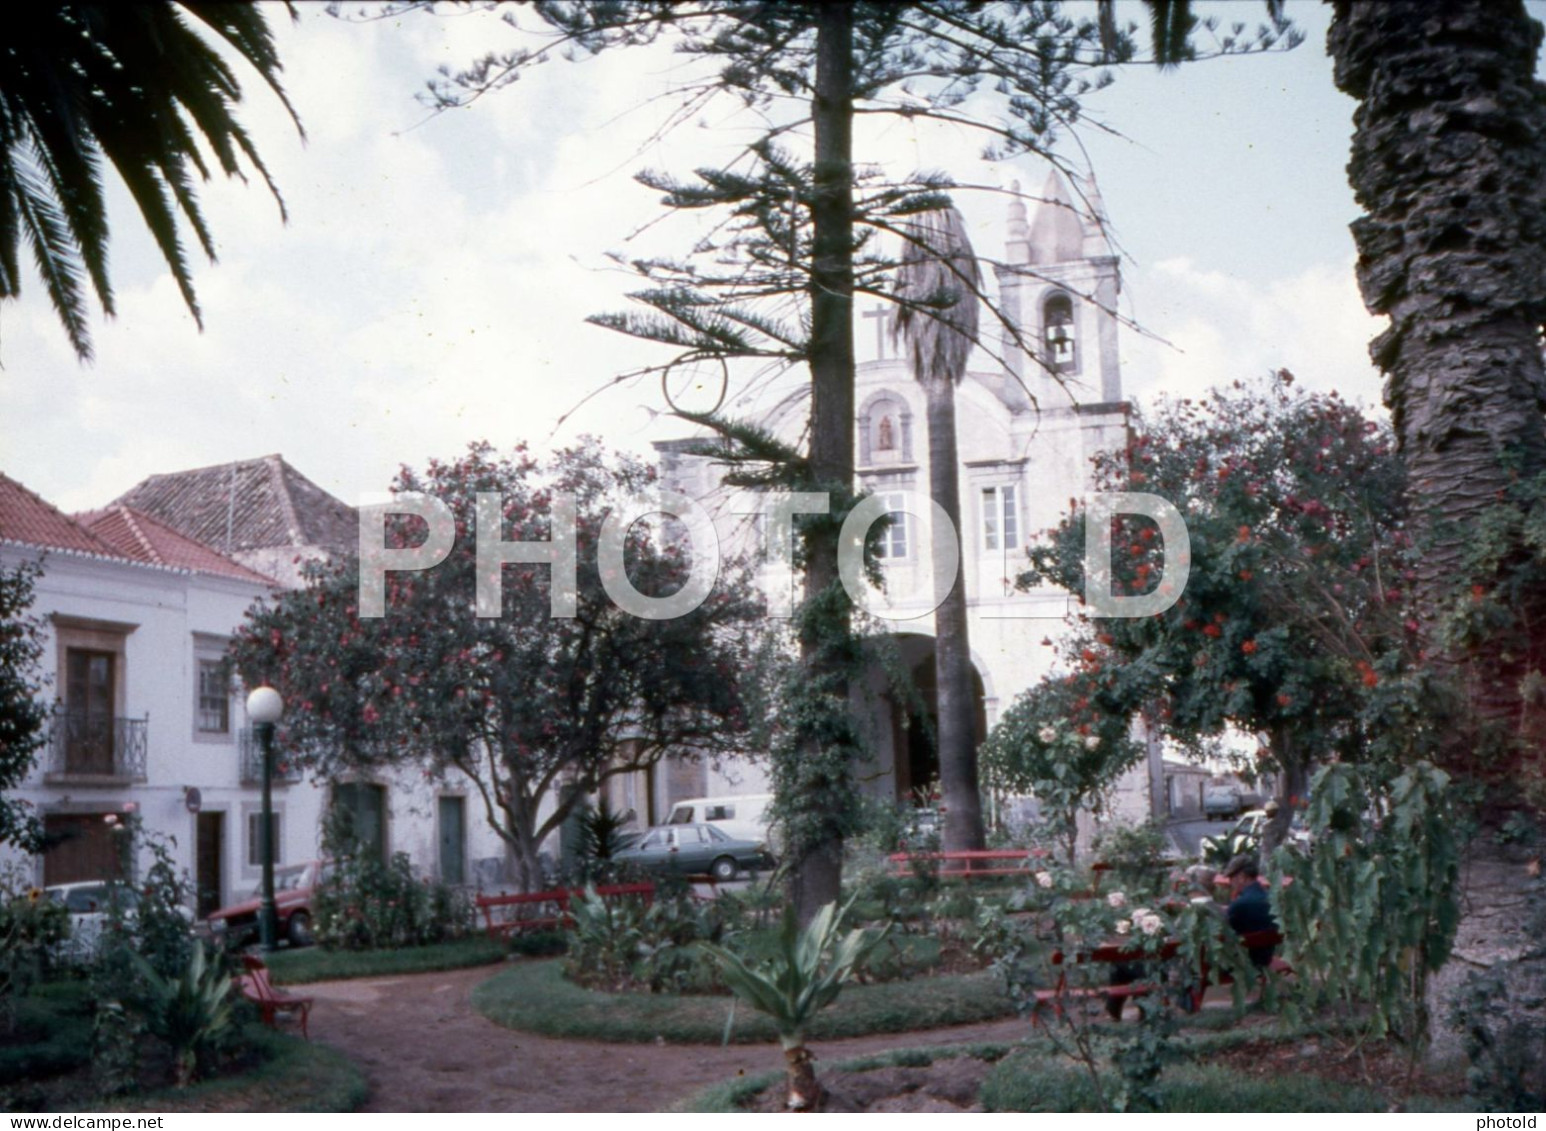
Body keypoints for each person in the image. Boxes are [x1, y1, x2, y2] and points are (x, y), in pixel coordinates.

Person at [1222, 854, 1278, 967]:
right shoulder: (1271, 898)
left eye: (1231, 878)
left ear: (1242, 877)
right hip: (1266, 959)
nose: (1230, 883)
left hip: (1243, 963)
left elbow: (1224, 932)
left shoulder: (1240, 905)